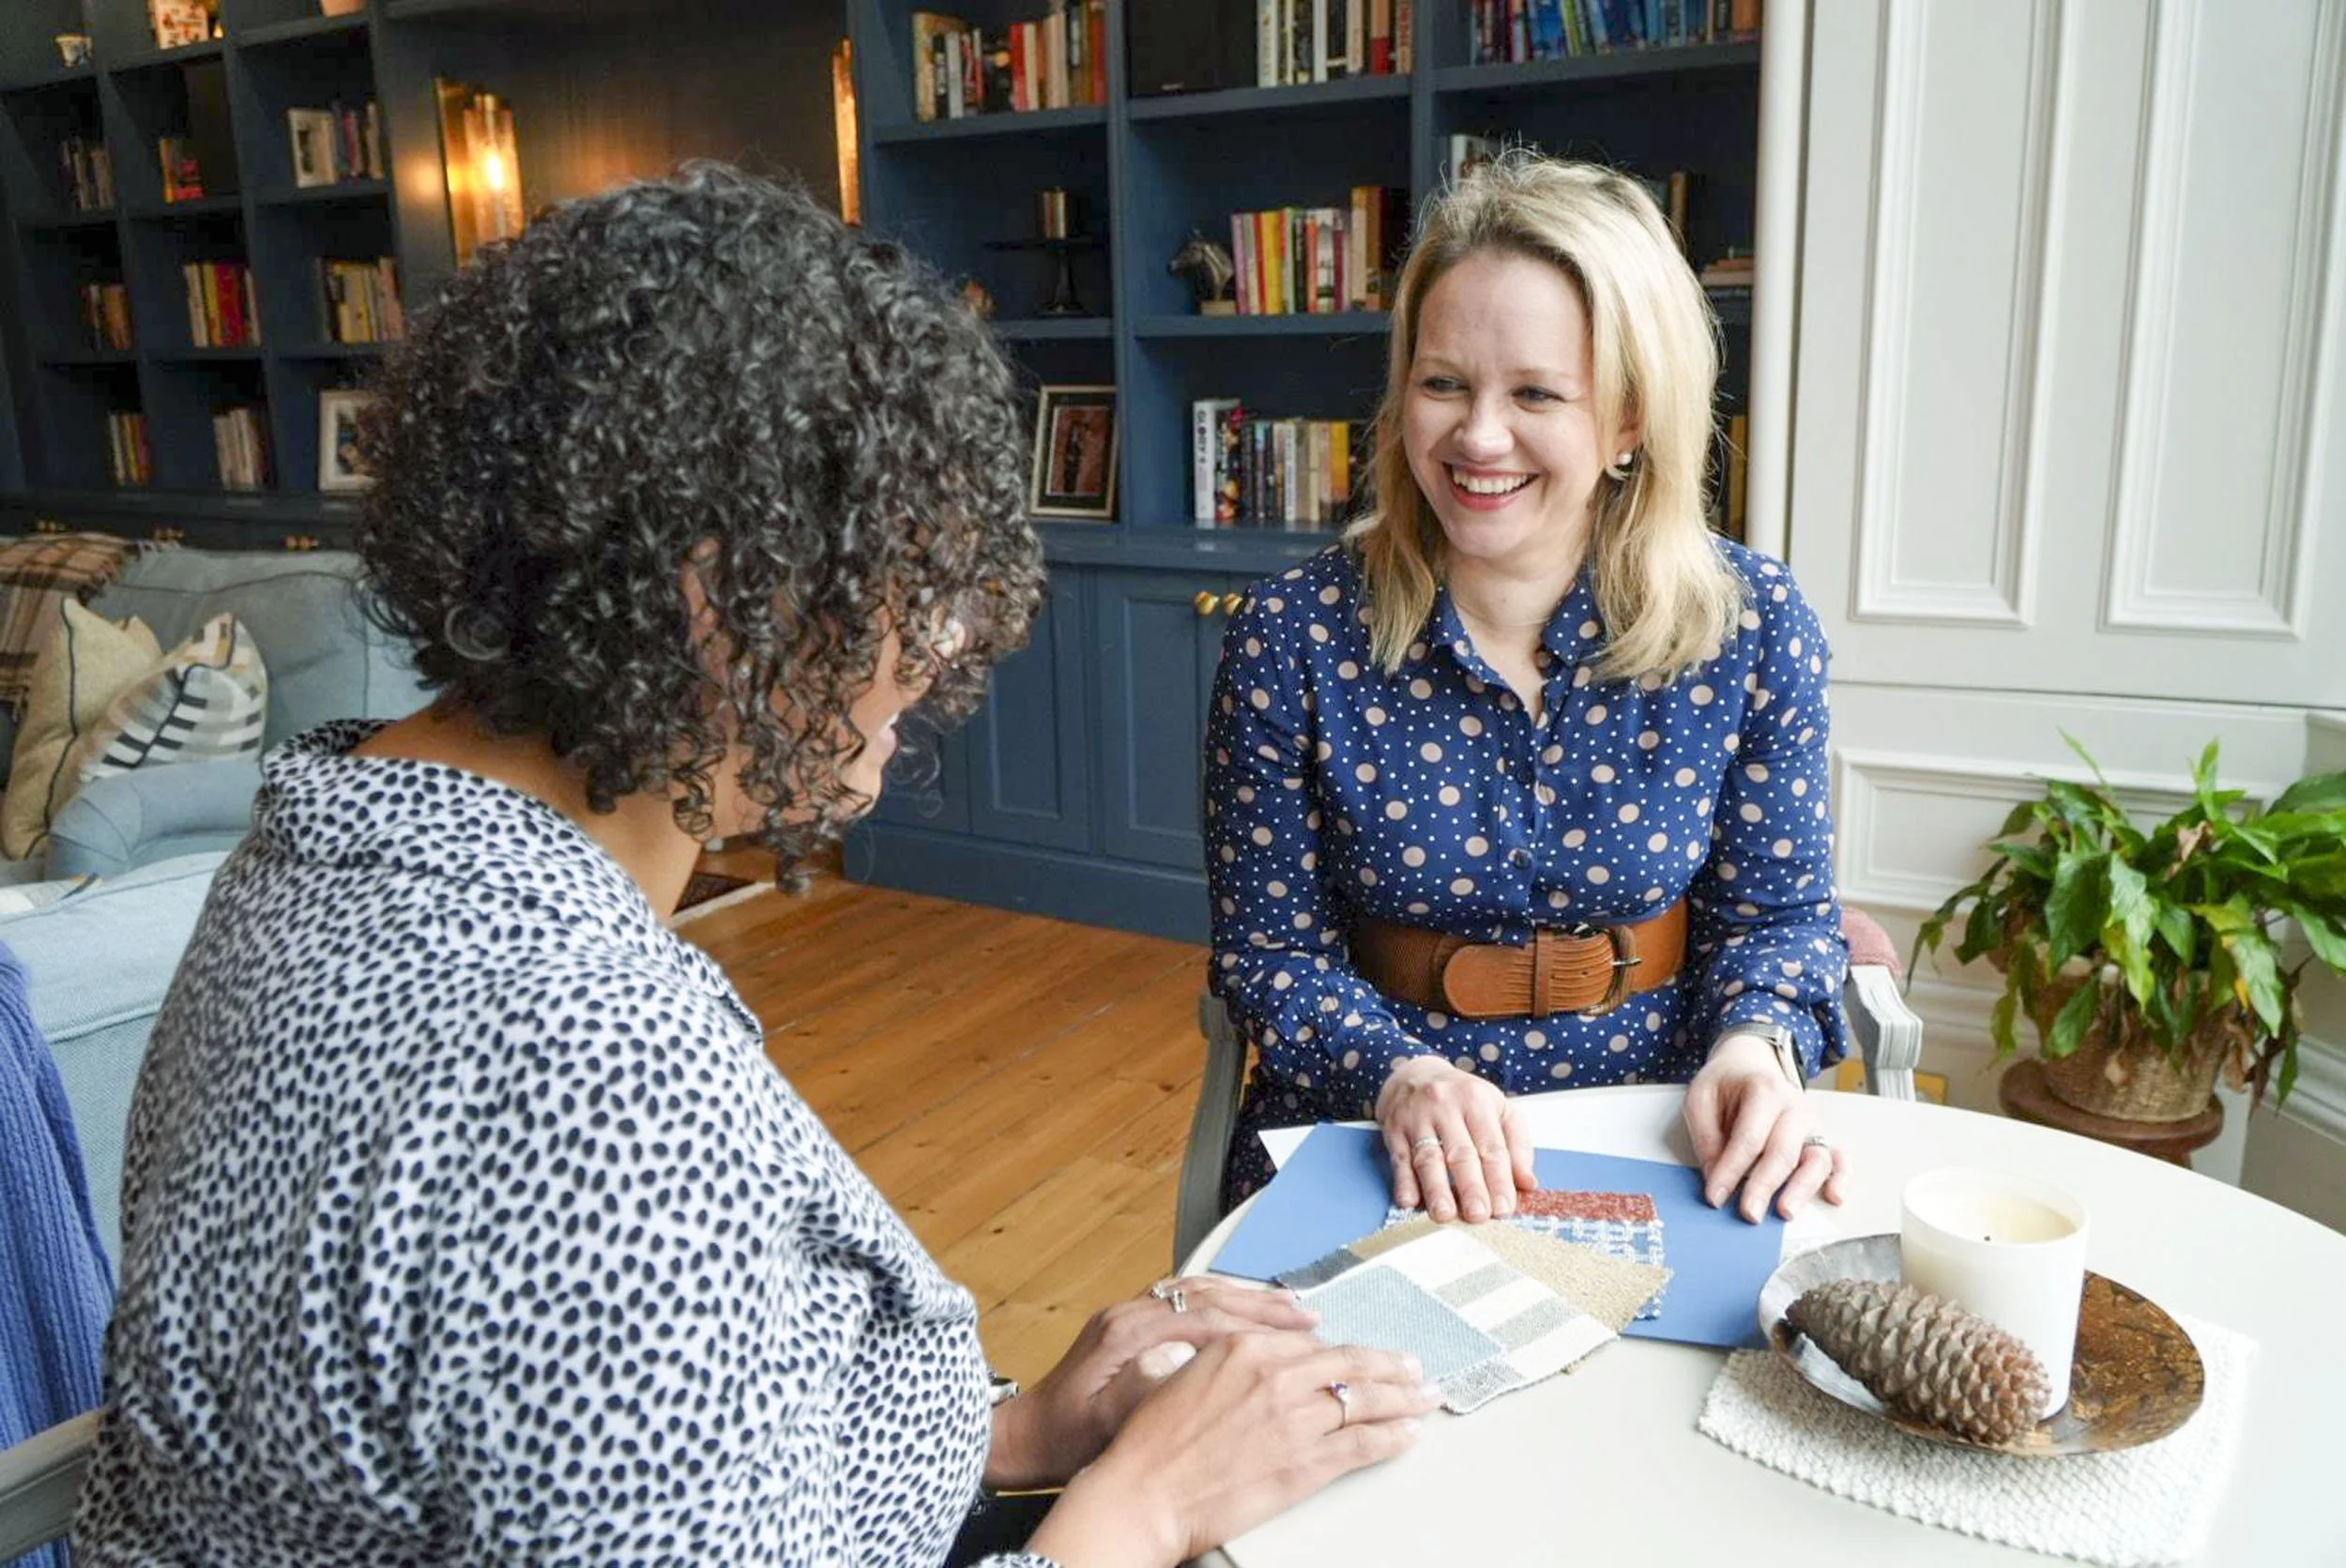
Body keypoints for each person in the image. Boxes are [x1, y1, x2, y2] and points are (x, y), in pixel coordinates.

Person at [71, 165, 1433, 1568]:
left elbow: (593, 1429)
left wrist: (1011, 1432)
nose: (954, 644)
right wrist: (1145, 1506)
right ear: (727, 596)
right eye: (926, 587)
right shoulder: (581, 1077)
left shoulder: (326, 838)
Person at [1205, 151, 1851, 1230]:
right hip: (1370, 1129)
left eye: (1537, 393)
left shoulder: (1750, 624)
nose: (1477, 438)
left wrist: (1756, 1043)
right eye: (1442, 382)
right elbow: (1269, 954)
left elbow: (1778, 920)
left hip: (1657, 1128)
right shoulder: (1292, 637)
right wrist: (1398, 1075)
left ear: (1631, 421)